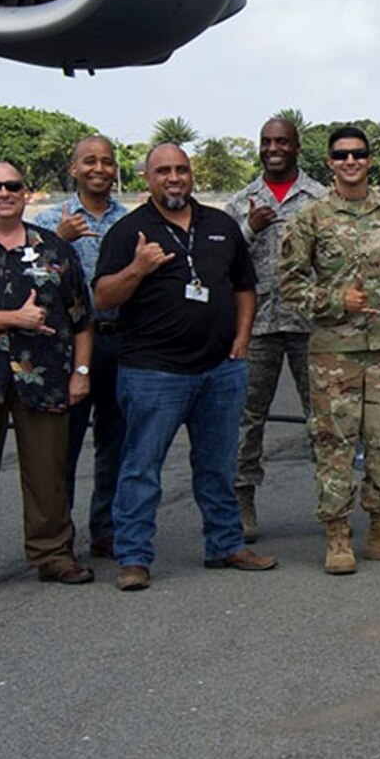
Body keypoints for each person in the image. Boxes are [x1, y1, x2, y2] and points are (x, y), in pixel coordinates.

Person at [93, 143, 277, 590]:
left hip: (220, 370)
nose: (173, 178)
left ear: (191, 175)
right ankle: (134, 556)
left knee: (218, 464)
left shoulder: (220, 225)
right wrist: (138, 268)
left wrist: (241, 338)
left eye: (181, 170)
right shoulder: (129, 231)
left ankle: (226, 544)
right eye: (163, 171)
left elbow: (244, 288)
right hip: (153, 372)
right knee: (141, 467)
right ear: (147, 179)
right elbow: (102, 298)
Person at [279, 126, 380, 575]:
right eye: (342, 155)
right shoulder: (312, 218)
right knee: (335, 444)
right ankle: (337, 535)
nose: (351, 161)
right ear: (329, 162)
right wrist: (334, 301)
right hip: (335, 353)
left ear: (369, 160)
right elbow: (290, 283)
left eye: (359, 154)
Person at [0, 162, 96, 594]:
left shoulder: (56, 250)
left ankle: (53, 554)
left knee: (48, 471)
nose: (4, 192)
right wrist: (15, 318)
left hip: (44, 377)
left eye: (13, 186)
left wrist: (81, 373)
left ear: (27, 194)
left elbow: (82, 319)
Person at [226, 115, 329, 543]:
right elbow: (224, 259)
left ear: (297, 147)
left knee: (321, 417)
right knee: (247, 418)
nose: (274, 148)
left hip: (309, 322)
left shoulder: (320, 198)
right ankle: (242, 498)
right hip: (259, 323)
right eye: (267, 141)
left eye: (282, 141)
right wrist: (252, 227)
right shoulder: (241, 202)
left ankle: (331, 501)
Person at [34, 134, 129, 558]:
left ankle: (105, 528)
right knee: (63, 444)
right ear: (73, 169)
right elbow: (27, 281)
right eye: (89, 161)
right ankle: (58, 532)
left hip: (117, 340)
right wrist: (59, 239)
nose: (99, 169)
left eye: (107, 162)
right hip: (67, 347)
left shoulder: (129, 221)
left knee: (116, 442)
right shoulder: (48, 221)